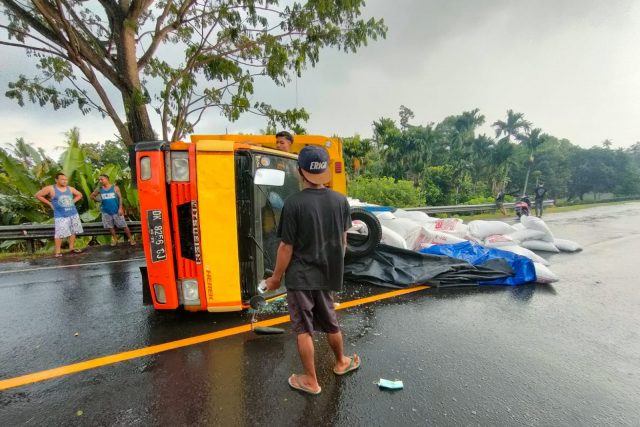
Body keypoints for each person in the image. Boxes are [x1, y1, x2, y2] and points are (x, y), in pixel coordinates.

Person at [265, 145, 360, 395]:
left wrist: (275, 278)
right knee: (331, 322)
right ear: (325, 171)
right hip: (327, 274)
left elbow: (286, 247)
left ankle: (310, 380)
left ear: (300, 172)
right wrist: (332, 266)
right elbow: (342, 242)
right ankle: (341, 362)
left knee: (304, 329)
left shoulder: (293, 204)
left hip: (300, 277)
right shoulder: (340, 200)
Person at [35, 172, 84, 257]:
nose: (65, 181)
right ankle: (58, 252)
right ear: (56, 180)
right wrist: (50, 204)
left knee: (73, 231)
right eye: (62, 179)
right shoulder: (51, 188)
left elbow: (79, 195)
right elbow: (38, 195)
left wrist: (73, 201)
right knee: (59, 233)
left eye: (66, 179)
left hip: (73, 213)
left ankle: (71, 248)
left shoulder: (70, 189)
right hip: (60, 215)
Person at [90, 174, 134, 246]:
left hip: (116, 211)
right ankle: (115, 240)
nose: (100, 181)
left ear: (107, 179)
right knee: (110, 227)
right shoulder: (99, 189)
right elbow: (92, 196)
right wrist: (99, 200)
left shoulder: (115, 188)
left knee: (124, 225)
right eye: (99, 180)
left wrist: (120, 208)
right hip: (106, 211)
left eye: (102, 179)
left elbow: (120, 198)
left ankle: (131, 239)